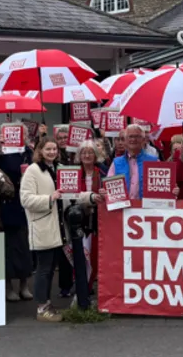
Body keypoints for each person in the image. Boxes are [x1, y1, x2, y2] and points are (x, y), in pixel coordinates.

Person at [0, 127, 35, 303]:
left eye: (22, 135)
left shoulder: (29, 153)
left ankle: (24, 284)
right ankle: (8, 286)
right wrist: (0, 147)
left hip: (25, 202)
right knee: (8, 247)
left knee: (24, 246)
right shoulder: (0, 154)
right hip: (6, 202)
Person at [20, 138, 66, 322]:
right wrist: (50, 198)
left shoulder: (60, 168)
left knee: (50, 267)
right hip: (43, 226)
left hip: (58, 227)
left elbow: (70, 192)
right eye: (48, 149)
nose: (52, 152)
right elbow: (26, 200)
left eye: (54, 149)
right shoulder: (33, 170)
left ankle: (47, 304)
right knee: (44, 269)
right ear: (40, 150)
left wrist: (91, 197)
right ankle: (41, 308)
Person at [63, 140, 107, 309]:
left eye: (90, 152)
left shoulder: (102, 172)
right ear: (79, 156)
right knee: (79, 256)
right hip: (77, 221)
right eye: (84, 153)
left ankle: (88, 290)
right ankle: (80, 292)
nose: (87, 156)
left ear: (96, 154)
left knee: (94, 258)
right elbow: (69, 194)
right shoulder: (73, 173)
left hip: (96, 220)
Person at [107, 124, 160, 199]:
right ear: (125, 140)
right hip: (123, 208)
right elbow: (109, 187)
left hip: (146, 208)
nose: (133, 139)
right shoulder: (116, 162)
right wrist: (105, 192)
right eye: (130, 136)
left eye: (137, 136)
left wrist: (172, 190)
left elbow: (163, 188)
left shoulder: (154, 161)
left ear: (144, 140)